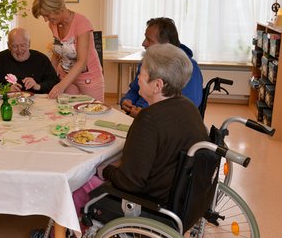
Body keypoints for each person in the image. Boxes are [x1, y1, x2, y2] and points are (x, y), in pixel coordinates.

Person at [70, 44, 209, 234]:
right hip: (184, 200)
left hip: (151, 203)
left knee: (81, 182)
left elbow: (130, 183)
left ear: (158, 85)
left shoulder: (149, 118)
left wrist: (106, 170)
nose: (137, 80)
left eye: (141, 75)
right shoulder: (189, 108)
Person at [32, 0, 105, 101]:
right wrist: (48, 77)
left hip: (88, 78)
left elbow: (82, 62)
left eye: (47, 15)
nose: (46, 20)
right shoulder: (53, 24)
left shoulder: (82, 23)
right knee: (66, 113)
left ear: (56, 8)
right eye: (43, 16)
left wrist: (60, 86)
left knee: (93, 113)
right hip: (65, 76)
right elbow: (58, 52)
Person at [121, 17, 203, 117]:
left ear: (166, 45)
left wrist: (145, 113)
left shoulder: (188, 69)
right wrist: (127, 100)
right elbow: (135, 89)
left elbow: (186, 109)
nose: (143, 43)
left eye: (149, 40)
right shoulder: (147, 62)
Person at [0, 27, 59, 94]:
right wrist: (6, 89)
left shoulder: (41, 59)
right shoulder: (0, 58)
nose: (19, 50)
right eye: (15, 46)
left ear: (29, 44)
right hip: (6, 102)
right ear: (9, 46)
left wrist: (37, 86)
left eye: (23, 45)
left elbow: (54, 82)